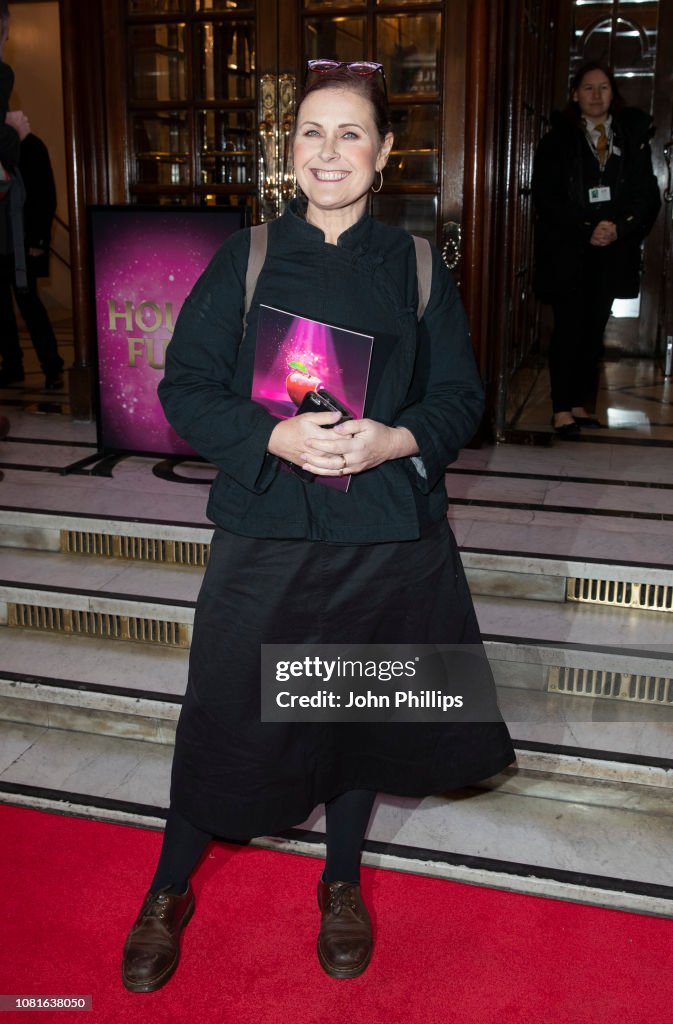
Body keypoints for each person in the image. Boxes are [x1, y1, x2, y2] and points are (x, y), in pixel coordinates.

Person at [121, 60, 514, 993]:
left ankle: (341, 882)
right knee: (224, 709)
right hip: (269, 529)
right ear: (287, 150)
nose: (327, 151)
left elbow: (462, 396)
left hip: (387, 534)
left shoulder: (418, 266)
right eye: (310, 132)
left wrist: (395, 438)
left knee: (355, 708)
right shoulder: (246, 255)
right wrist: (277, 437)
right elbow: (185, 388)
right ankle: (167, 889)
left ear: (382, 154)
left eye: (349, 134)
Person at [532, 62, 661, 436]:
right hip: (569, 249)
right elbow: (547, 196)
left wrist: (618, 228)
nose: (595, 95)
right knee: (569, 327)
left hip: (612, 250)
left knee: (593, 329)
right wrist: (587, 227)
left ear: (612, 93)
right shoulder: (558, 139)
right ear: (575, 94)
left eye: (603, 88)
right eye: (588, 88)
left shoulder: (630, 137)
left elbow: (646, 194)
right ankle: (560, 409)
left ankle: (580, 405)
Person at [0, 6, 63, 390]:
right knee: (2, 312)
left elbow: (45, 196)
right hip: (4, 238)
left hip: (21, 241)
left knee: (29, 305)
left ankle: (52, 364)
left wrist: (39, 241)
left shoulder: (32, 147)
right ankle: (13, 366)